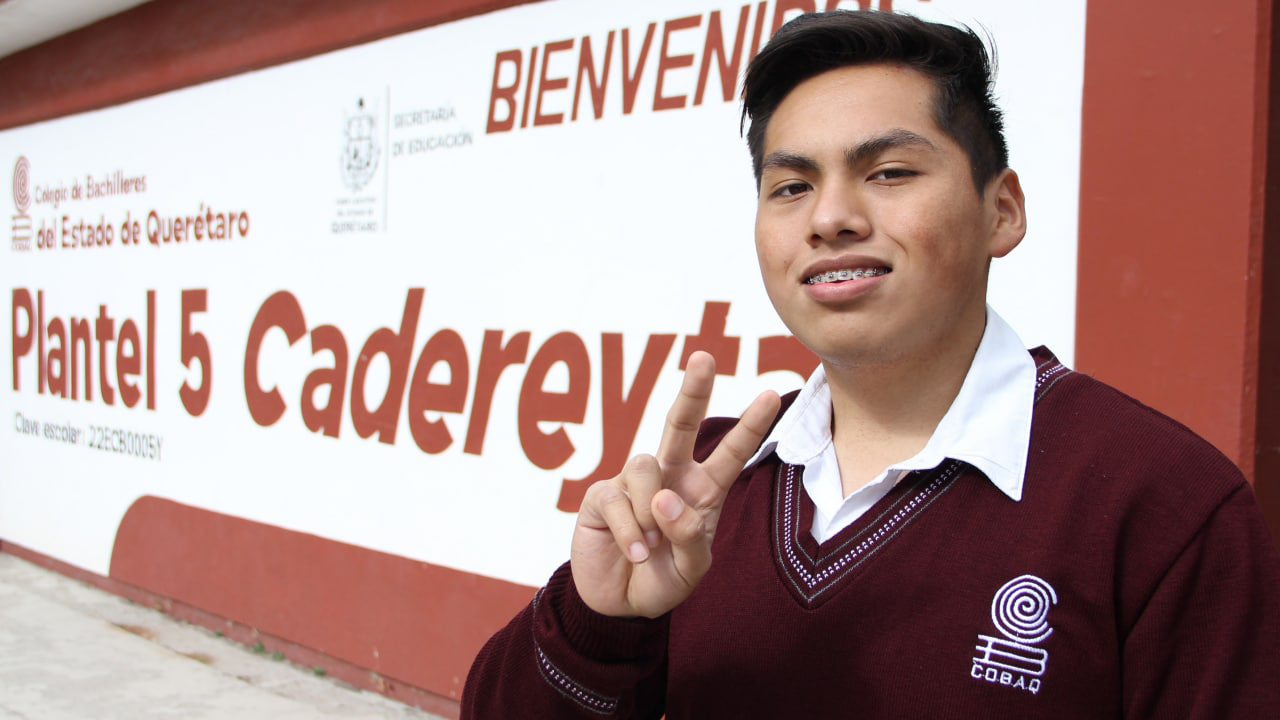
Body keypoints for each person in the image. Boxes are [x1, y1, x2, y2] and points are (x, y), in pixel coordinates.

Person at [462, 10, 1280, 718]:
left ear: (1002, 211)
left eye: (888, 173)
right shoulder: (703, 490)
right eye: (790, 187)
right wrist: (600, 619)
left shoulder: (1163, 505)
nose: (831, 218)